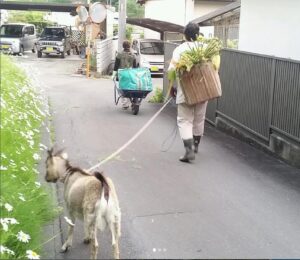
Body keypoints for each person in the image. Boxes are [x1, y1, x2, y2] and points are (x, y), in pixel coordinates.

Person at [168, 22, 208, 163]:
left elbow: (172, 71)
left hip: (185, 89)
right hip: (204, 89)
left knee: (185, 120)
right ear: (198, 34)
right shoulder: (205, 48)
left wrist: (173, 87)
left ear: (185, 35)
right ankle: (196, 146)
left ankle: (188, 150)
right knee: (199, 119)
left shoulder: (180, 50)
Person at [113, 40, 137, 109]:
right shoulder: (133, 55)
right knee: (130, 88)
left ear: (123, 46)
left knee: (123, 88)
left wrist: (114, 74)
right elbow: (135, 67)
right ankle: (130, 102)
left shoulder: (119, 54)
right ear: (129, 46)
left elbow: (116, 66)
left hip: (122, 74)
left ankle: (125, 104)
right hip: (130, 74)